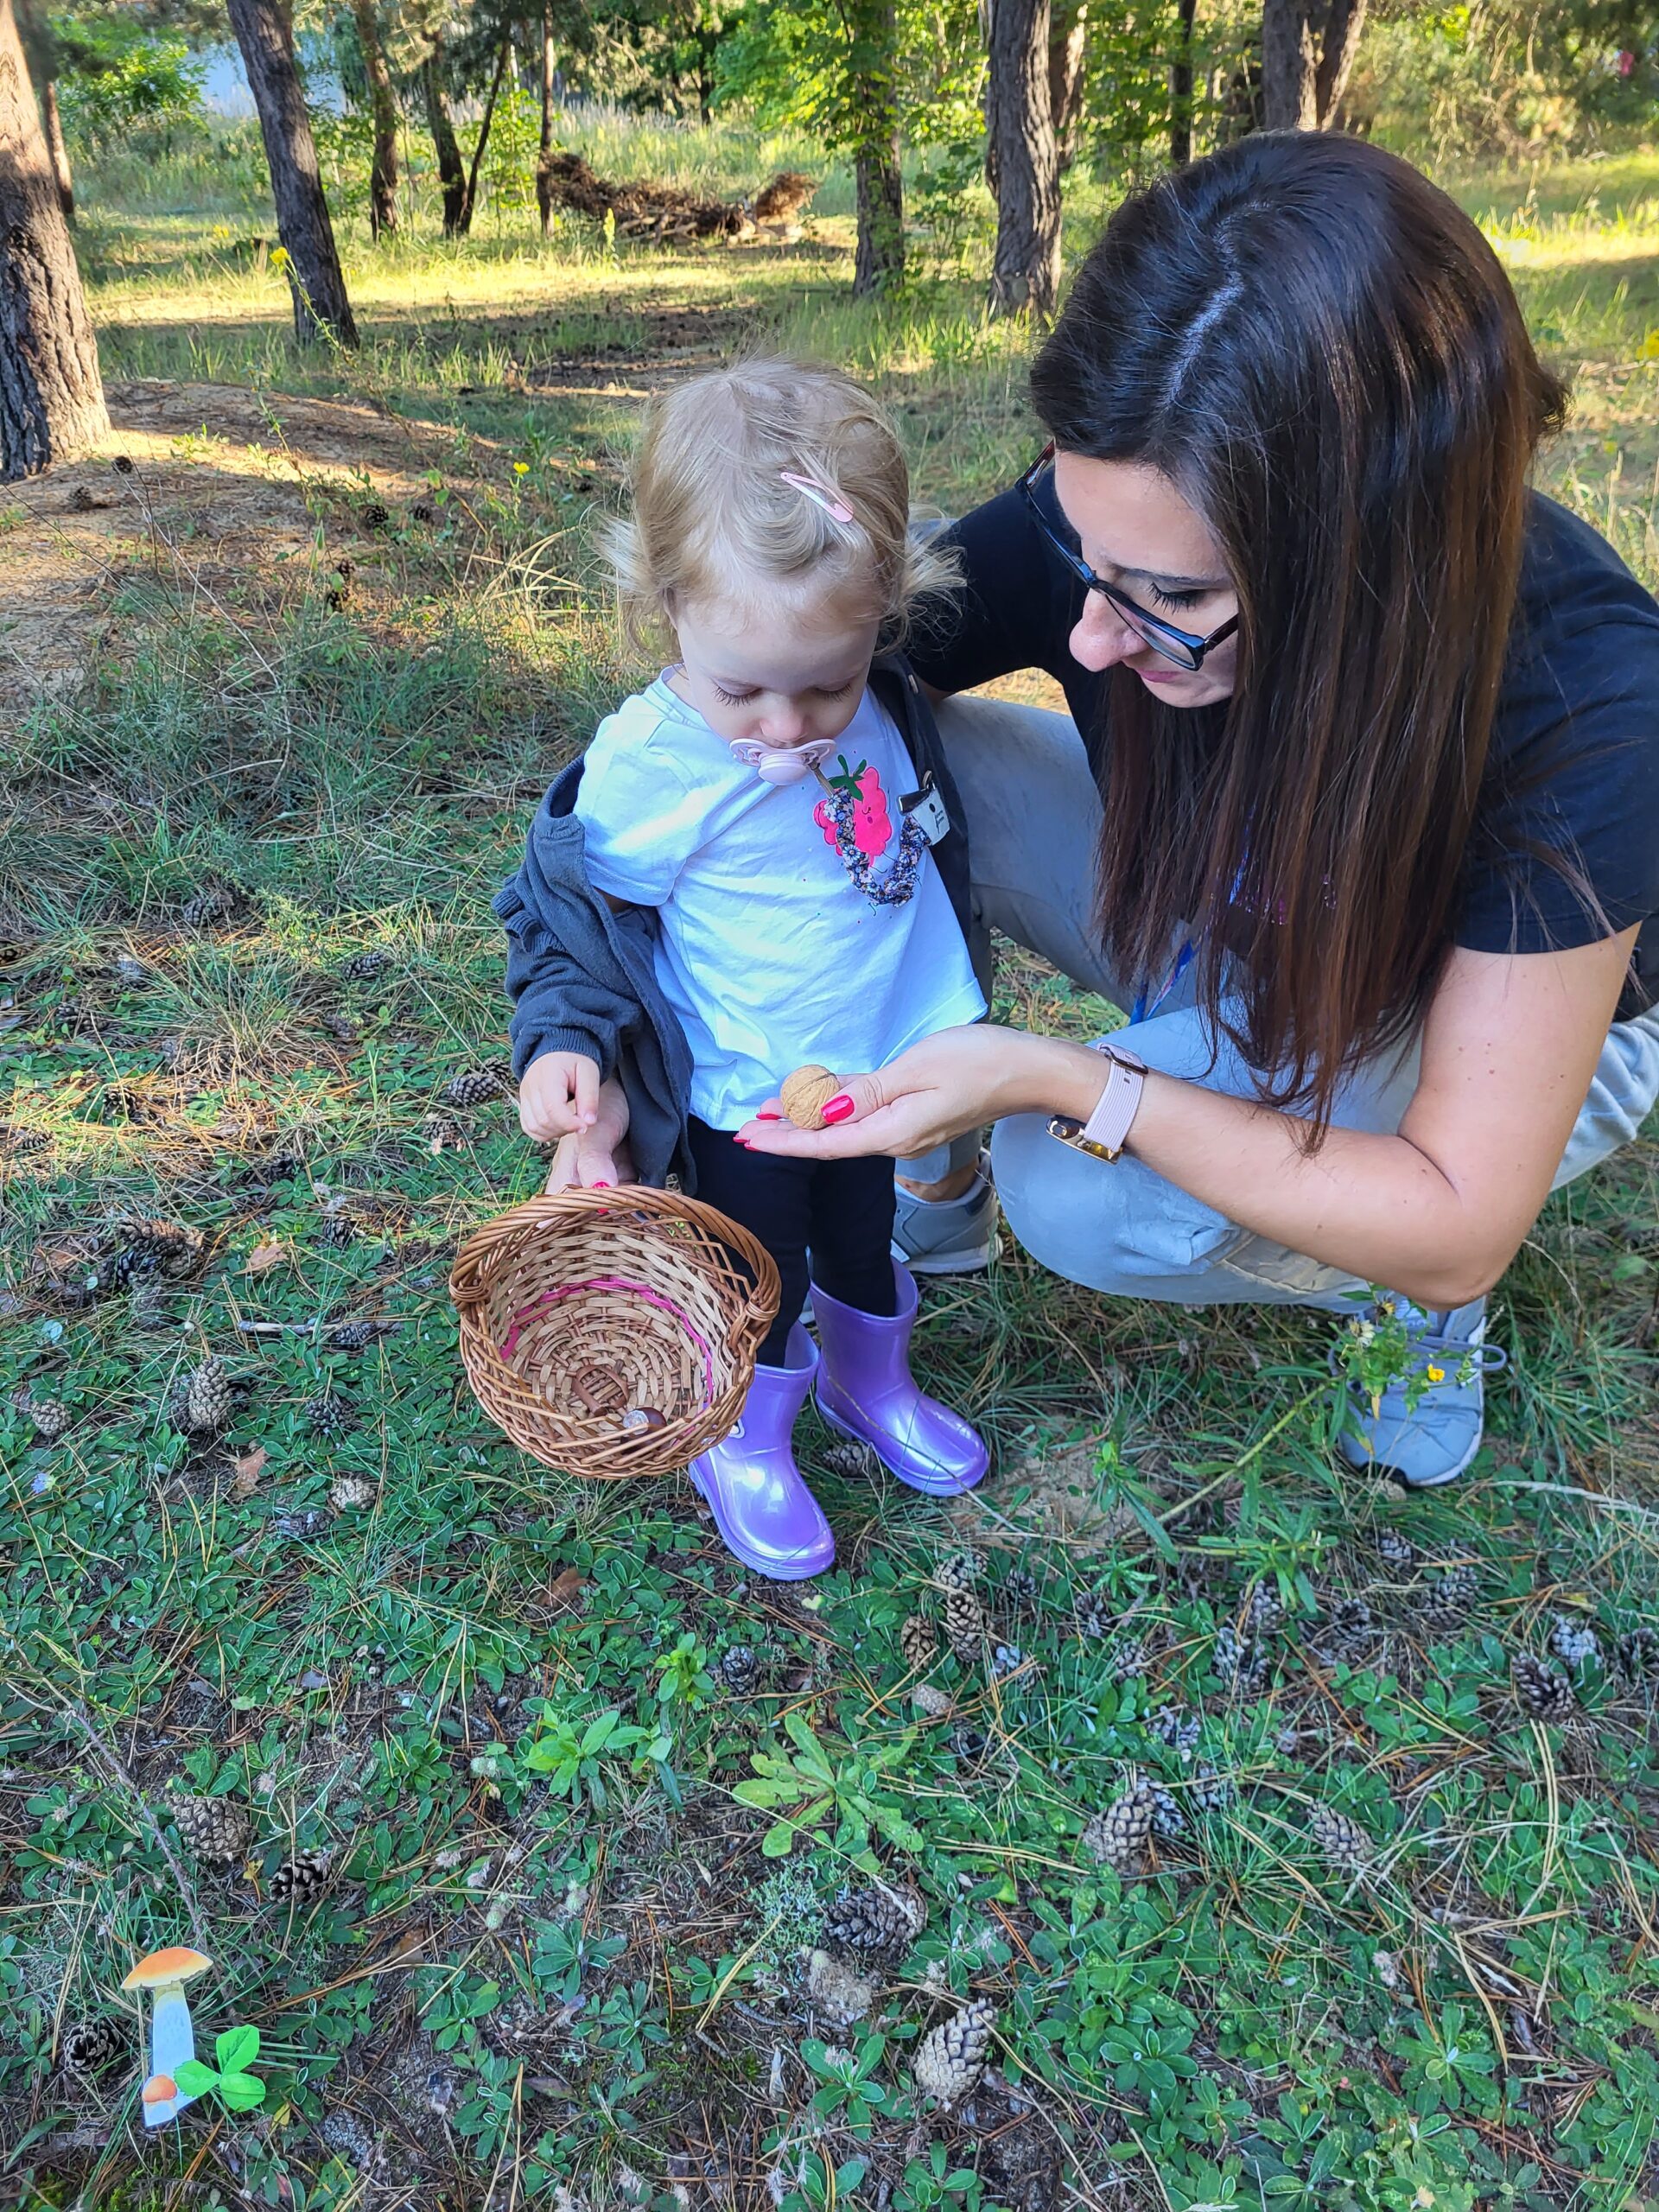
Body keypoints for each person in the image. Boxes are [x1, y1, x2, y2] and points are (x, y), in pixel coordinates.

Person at [736, 132, 1659, 1491]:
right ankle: (938, 1175)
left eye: (1166, 604)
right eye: (1082, 558)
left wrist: (1070, 1077)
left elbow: (1465, 1207)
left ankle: (1390, 1294)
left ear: (1362, 562)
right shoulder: (1128, 508)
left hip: (1466, 1028)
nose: (1090, 642)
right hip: (1226, 913)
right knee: (902, 756)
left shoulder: (1584, 700)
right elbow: (822, 672)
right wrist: (605, 923)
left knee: (1075, 1182)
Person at [495, 359, 989, 1583]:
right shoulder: (652, 763)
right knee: (755, 1271)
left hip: (869, 1065)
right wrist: (570, 1049)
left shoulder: (873, 696)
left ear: (883, 609)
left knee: (867, 1234)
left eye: (826, 681)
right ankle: (743, 1435)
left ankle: (871, 1384)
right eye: (743, 690)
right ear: (666, 609)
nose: (788, 726)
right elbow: (565, 916)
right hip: (738, 1089)